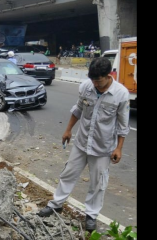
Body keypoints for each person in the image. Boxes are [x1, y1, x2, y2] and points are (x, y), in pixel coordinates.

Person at [37, 57, 130, 232]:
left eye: (98, 80)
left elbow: (123, 126)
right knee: (68, 173)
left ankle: (91, 215)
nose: (95, 83)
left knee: (98, 182)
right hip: (82, 141)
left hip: (103, 147)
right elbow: (78, 109)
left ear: (108, 75)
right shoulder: (87, 87)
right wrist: (68, 130)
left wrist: (119, 148)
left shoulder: (121, 94)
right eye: (92, 79)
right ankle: (56, 204)